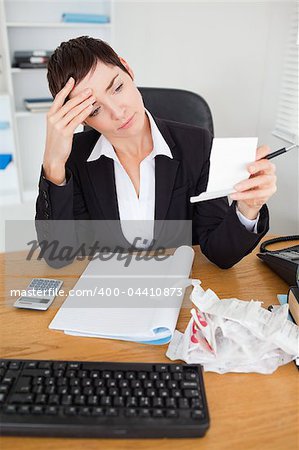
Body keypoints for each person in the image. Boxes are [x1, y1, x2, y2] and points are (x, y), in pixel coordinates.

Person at [35, 36, 277, 268]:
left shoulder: (197, 145)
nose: (118, 112)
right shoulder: (74, 158)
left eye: (117, 87)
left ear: (128, 69)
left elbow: (220, 255)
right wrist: (54, 166)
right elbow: (59, 257)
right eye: (94, 110)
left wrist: (248, 208)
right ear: (79, 118)